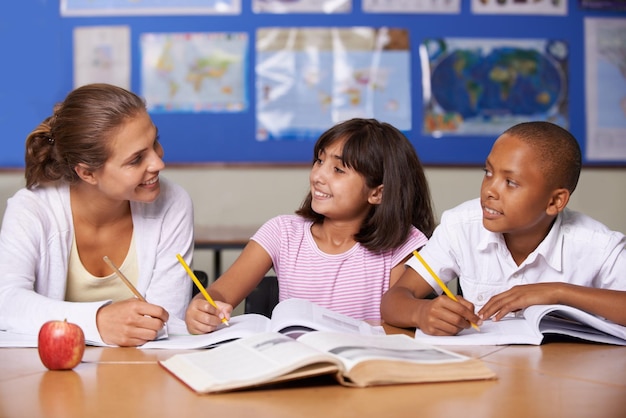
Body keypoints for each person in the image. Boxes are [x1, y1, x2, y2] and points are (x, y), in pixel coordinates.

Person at [186, 118, 435, 334]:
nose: (317, 176)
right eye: (319, 161)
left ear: (377, 193)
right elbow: (219, 294)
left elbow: (398, 321)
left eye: (338, 169)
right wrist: (203, 308)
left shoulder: (404, 243)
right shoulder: (282, 233)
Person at [381, 121, 626, 335]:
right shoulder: (461, 226)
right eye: (488, 172)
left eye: (511, 182)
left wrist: (557, 292)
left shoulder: (597, 244)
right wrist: (421, 312)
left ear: (554, 202)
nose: (489, 190)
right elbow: (393, 301)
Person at [0, 83, 194, 346]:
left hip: (141, 371)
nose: (159, 163)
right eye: (136, 159)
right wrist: (98, 320)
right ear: (87, 173)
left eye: (155, 142)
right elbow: (7, 302)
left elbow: (166, 321)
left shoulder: (172, 202)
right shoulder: (32, 210)